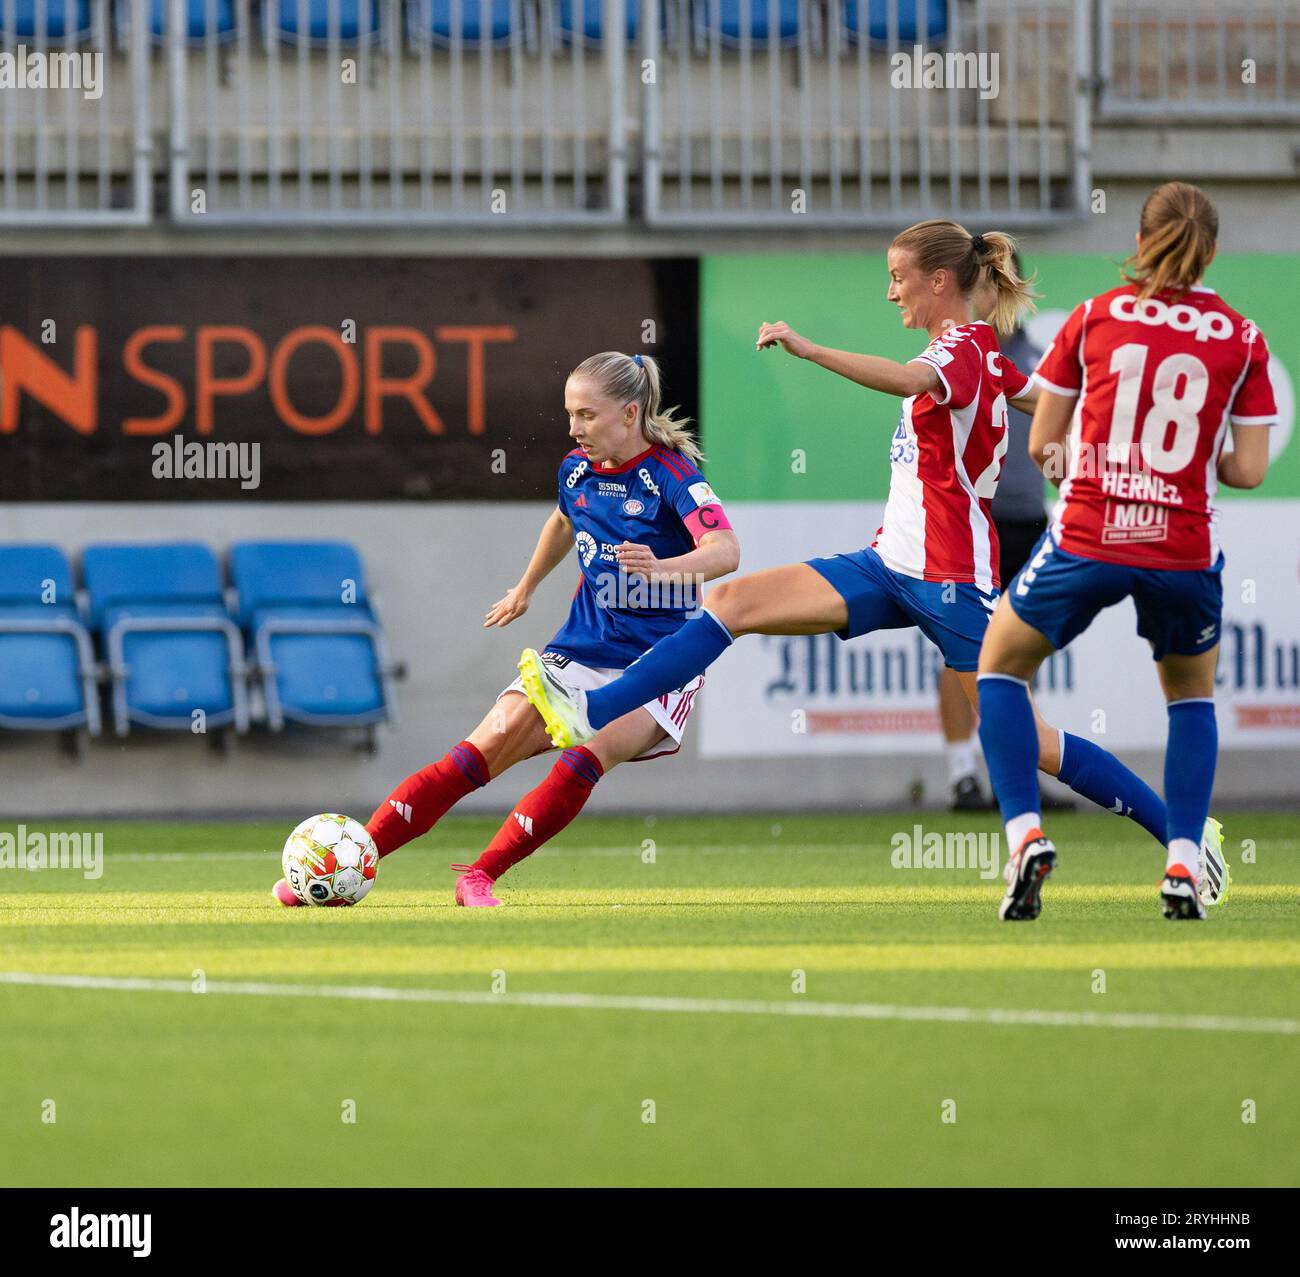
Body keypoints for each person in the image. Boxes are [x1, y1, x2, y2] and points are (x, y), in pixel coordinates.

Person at [518, 220, 1218, 881]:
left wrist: (809, 348)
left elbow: (914, 379)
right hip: (890, 565)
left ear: (940, 281)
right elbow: (1039, 396)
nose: (891, 291)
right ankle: (598, 711)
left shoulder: (958, 349)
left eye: (898, 277)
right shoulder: (985, 358)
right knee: (730, 600)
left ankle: (1185, 835)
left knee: (1034, 742)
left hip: (948, 578)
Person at [272, 351, 739, 907]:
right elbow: (564, 520)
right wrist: (527, 586)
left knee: (587, 754)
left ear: (630, 413)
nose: (574, 428)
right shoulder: (576, 468)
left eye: (587, 415)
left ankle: (479, 876)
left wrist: (660, 569)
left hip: (662, 660)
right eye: (570, 414)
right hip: (584, 646)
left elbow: (726, 551)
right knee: (484, 745)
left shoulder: (674, 475)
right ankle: (349, 861)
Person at [977, 181, 1276, 921]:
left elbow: (1044, 441)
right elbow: (1248, 470)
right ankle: (1182, 862)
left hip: (1091, 532)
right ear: (1209, 253)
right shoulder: (1241, 338)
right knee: (1191, 699)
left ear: (1140, 243)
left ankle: (1023, 837)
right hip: (1182, 545)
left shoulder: (1095, 316)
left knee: (999, 666)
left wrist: (1088, 471)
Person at [939, 252, 1071, 813]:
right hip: (973, 519)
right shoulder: (959, 347)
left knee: (1021, 649)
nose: (999, 291)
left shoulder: (1037, 355)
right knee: (958, 649)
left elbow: (1056, 433)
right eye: (990, 280)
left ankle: (1015, 770)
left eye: (1006, 280)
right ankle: (960, 774)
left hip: (1024, 518)